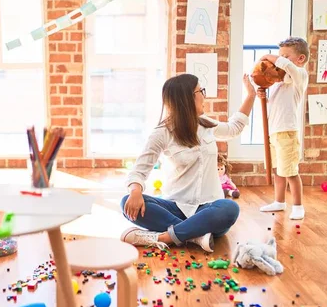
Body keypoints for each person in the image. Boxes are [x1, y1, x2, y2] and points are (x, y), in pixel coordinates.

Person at [120, 73, 257, 252]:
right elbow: (140, 169)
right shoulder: (163, 132)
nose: (204, 96)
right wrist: (136, 190)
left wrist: (251, 95)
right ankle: (196, 235)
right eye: (201, 91)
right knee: (126, 202)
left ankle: (165, 237)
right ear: (187, 98)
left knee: (229, 208)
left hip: (209, 209)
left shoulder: (207, 125)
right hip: (176, 207)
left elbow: (234, 128)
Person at [257, 37, 309, 220]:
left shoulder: (300, 76)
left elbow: (288, 66)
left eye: (285, 56)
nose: (280, 60)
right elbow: (274, 105)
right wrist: (262, 95)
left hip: (287, 131)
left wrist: (266, 55)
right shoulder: (281, 81)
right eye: (280, 56)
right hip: (275, 131)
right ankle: (279, 201)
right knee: (278, 169)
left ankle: (298, 206)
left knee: (290, 171)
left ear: (300, 59)